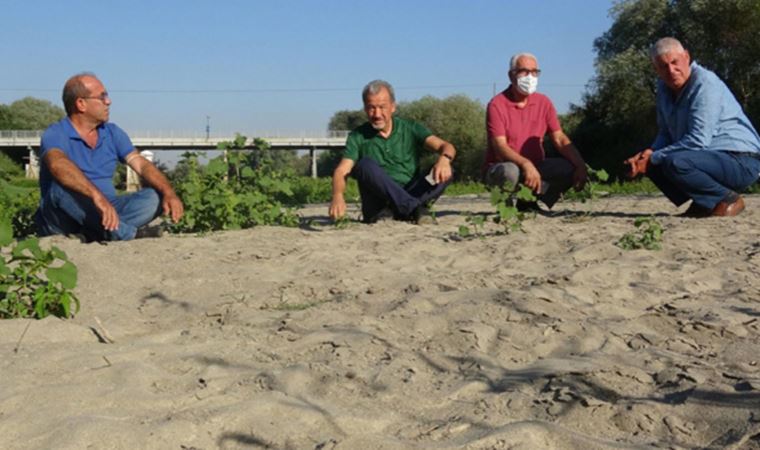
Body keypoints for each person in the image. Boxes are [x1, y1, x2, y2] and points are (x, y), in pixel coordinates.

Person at [35, 73, 184, 241]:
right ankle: (128, 233)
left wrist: (168, 192)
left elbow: (140, 164)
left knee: (155, 196)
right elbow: (58, 164)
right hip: (65, 217)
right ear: (81, 104)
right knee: (61, 188)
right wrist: (96, 197)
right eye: (102, 97)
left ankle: (96, 232)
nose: (109, 101)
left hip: (108, 209)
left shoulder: (112, 132)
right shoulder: (56, 133)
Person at [626, 37, 760, 217]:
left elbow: (698, 140)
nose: (671, 70)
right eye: (663, 66)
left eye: (675, 62)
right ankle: (704, 202)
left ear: (687, 57)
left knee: (675, 162)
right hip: (708, 158)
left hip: (742, 160)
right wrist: (647, 154)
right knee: (656, 162)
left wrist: (654, 157)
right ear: (655, 69)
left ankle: (727, 199)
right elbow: (666, 133)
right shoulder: (664, 90)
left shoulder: (705, 84)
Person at [329, 80, 456, 224]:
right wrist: (337, 195)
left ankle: (407, 207)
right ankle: (414, 209)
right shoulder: (357, 136)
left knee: (448, 170)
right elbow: (342, 170)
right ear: (365, 109)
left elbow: (446, 146)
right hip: (378, 205)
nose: (377, 114)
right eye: (371, 108)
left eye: (382, 107)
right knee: (364, 165)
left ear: (393, 107)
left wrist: (444, 159)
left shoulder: (410, 128)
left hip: (412, 190)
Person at [484, 53, 588, 210]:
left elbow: (559, 138)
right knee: (509, 171)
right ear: (511, 75)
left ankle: (528, 201)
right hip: (502, 166)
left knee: (568, 168)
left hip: (537, 166)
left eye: (534, 72)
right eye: (524, 71)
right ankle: (505, 207)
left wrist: (580, 165)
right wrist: (525, 164)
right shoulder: (497, 105)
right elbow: (500, 146)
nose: (530, 77)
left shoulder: (543, 102)